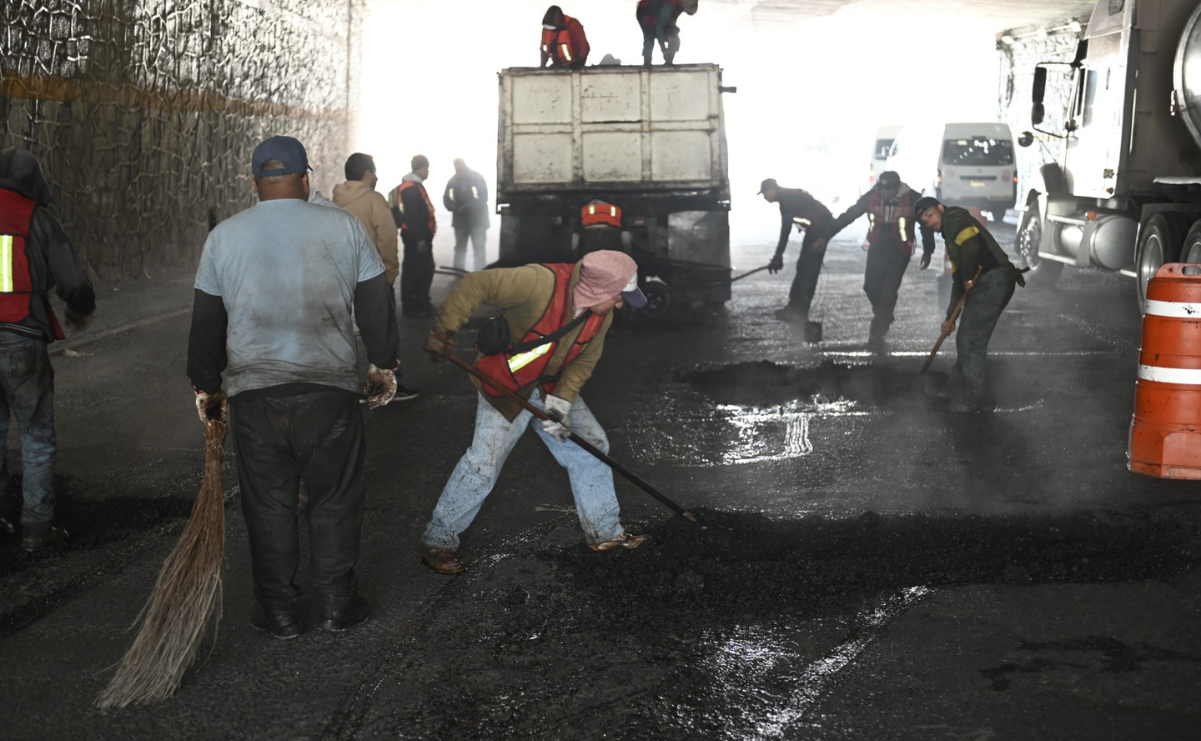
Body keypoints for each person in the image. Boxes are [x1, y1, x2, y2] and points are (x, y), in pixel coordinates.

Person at [188, 136, 404, 638]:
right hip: (328, 392)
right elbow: (375, 302)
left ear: (253, 184)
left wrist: (206, 385)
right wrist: (382, 364)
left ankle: (279, 611)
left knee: (267, 505)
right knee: (334, 498)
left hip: (255, 395)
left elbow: (207, 319)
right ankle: (335, 604)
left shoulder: (224, 236)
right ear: (306, 179)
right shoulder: (344, 227)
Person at [420, 250, 651, 575]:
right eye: (618, 296)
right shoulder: (538, 283)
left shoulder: (603, 313)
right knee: (483, 464)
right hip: (505, 386)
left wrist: (560, 405)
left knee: (592, 447)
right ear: (598, 289)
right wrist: (444, 330)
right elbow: (476, 284)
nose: (620, 304)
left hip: (550, 388)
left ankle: (605, 533)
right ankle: (438, 541)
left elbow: (584, 361)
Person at [0, 149, 95, 553]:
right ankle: (37, 529)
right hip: (20, 336)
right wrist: (80, 307)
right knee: (35, 435)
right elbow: (71, 278)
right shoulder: (37, 219)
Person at [914, 196, 1022, 413]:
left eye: (930, 215)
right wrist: (950, 317)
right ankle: (958, 385)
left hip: (994, 279)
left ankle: (977, 395)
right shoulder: (950, 236)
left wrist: (968, 278)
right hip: (988, 282)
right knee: (966, 335)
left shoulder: (954, 219)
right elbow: (957, 281)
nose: (929, 222)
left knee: (972, 339)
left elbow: (972, 246)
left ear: (940, 208)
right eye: (925, 222)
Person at [819, 171, 936, 352]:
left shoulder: (913, 199)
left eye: (887, 192)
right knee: (870, 286)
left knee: (889, 290)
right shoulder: (872, 196)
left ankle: (876, 333)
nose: (883, 195)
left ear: (897, 188)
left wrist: (928, 251)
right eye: (881, 191)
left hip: (900, 250)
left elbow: (926, 226)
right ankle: (885, 314)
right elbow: (848, 216)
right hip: (877, 247)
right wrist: (825, 236)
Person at [760, 178, 833, 324]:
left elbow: (785, 231)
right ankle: (794, 307)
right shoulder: (787, 197)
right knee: (803, 267)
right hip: (816, 229)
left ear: (771, 191)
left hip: (821, 231)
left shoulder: (787, 201)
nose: (764, 197)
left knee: (809, 269)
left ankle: (799, 310)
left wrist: (778, 255)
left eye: (764, 194)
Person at [334, 153, 400, 286]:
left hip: (341, 275)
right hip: (371, 276)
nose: (377, 178)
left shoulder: (334, 200)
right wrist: (390, 273)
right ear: (368, 175)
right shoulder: (375, 200)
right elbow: (388, 239)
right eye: (375, 173)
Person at [388, 155, 437, 319]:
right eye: (427, 168)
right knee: (414, 271)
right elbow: (412, 216)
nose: (428, 172)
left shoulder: (415, 186)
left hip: (418, 236)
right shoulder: (410, 188)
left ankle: (420, 302)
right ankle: (411, 307)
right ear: (420, 169)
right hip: (415, 237)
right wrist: (420, 239)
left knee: (423, 270)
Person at [442, 159, 490, 272]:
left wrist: (467, 207)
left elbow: (483, 198)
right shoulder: (453, 181)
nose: (457, 168)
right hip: (462, 222)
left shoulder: (476, 178)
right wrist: (454, 208)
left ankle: (478, 274)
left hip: (476, 222)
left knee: (477, 250)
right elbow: (446, 199)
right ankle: (459, 273)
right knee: (461, 250)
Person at [636, 0, 697, 66]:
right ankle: (647, 64)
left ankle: (668, 62)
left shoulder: (678, 6)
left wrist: (672, 34)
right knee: (649, 39)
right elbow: (659, 28)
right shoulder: (669, 6)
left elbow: (670, 20)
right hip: (646, 14)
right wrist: (663, 49)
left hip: (661, 17)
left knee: (674, 39)